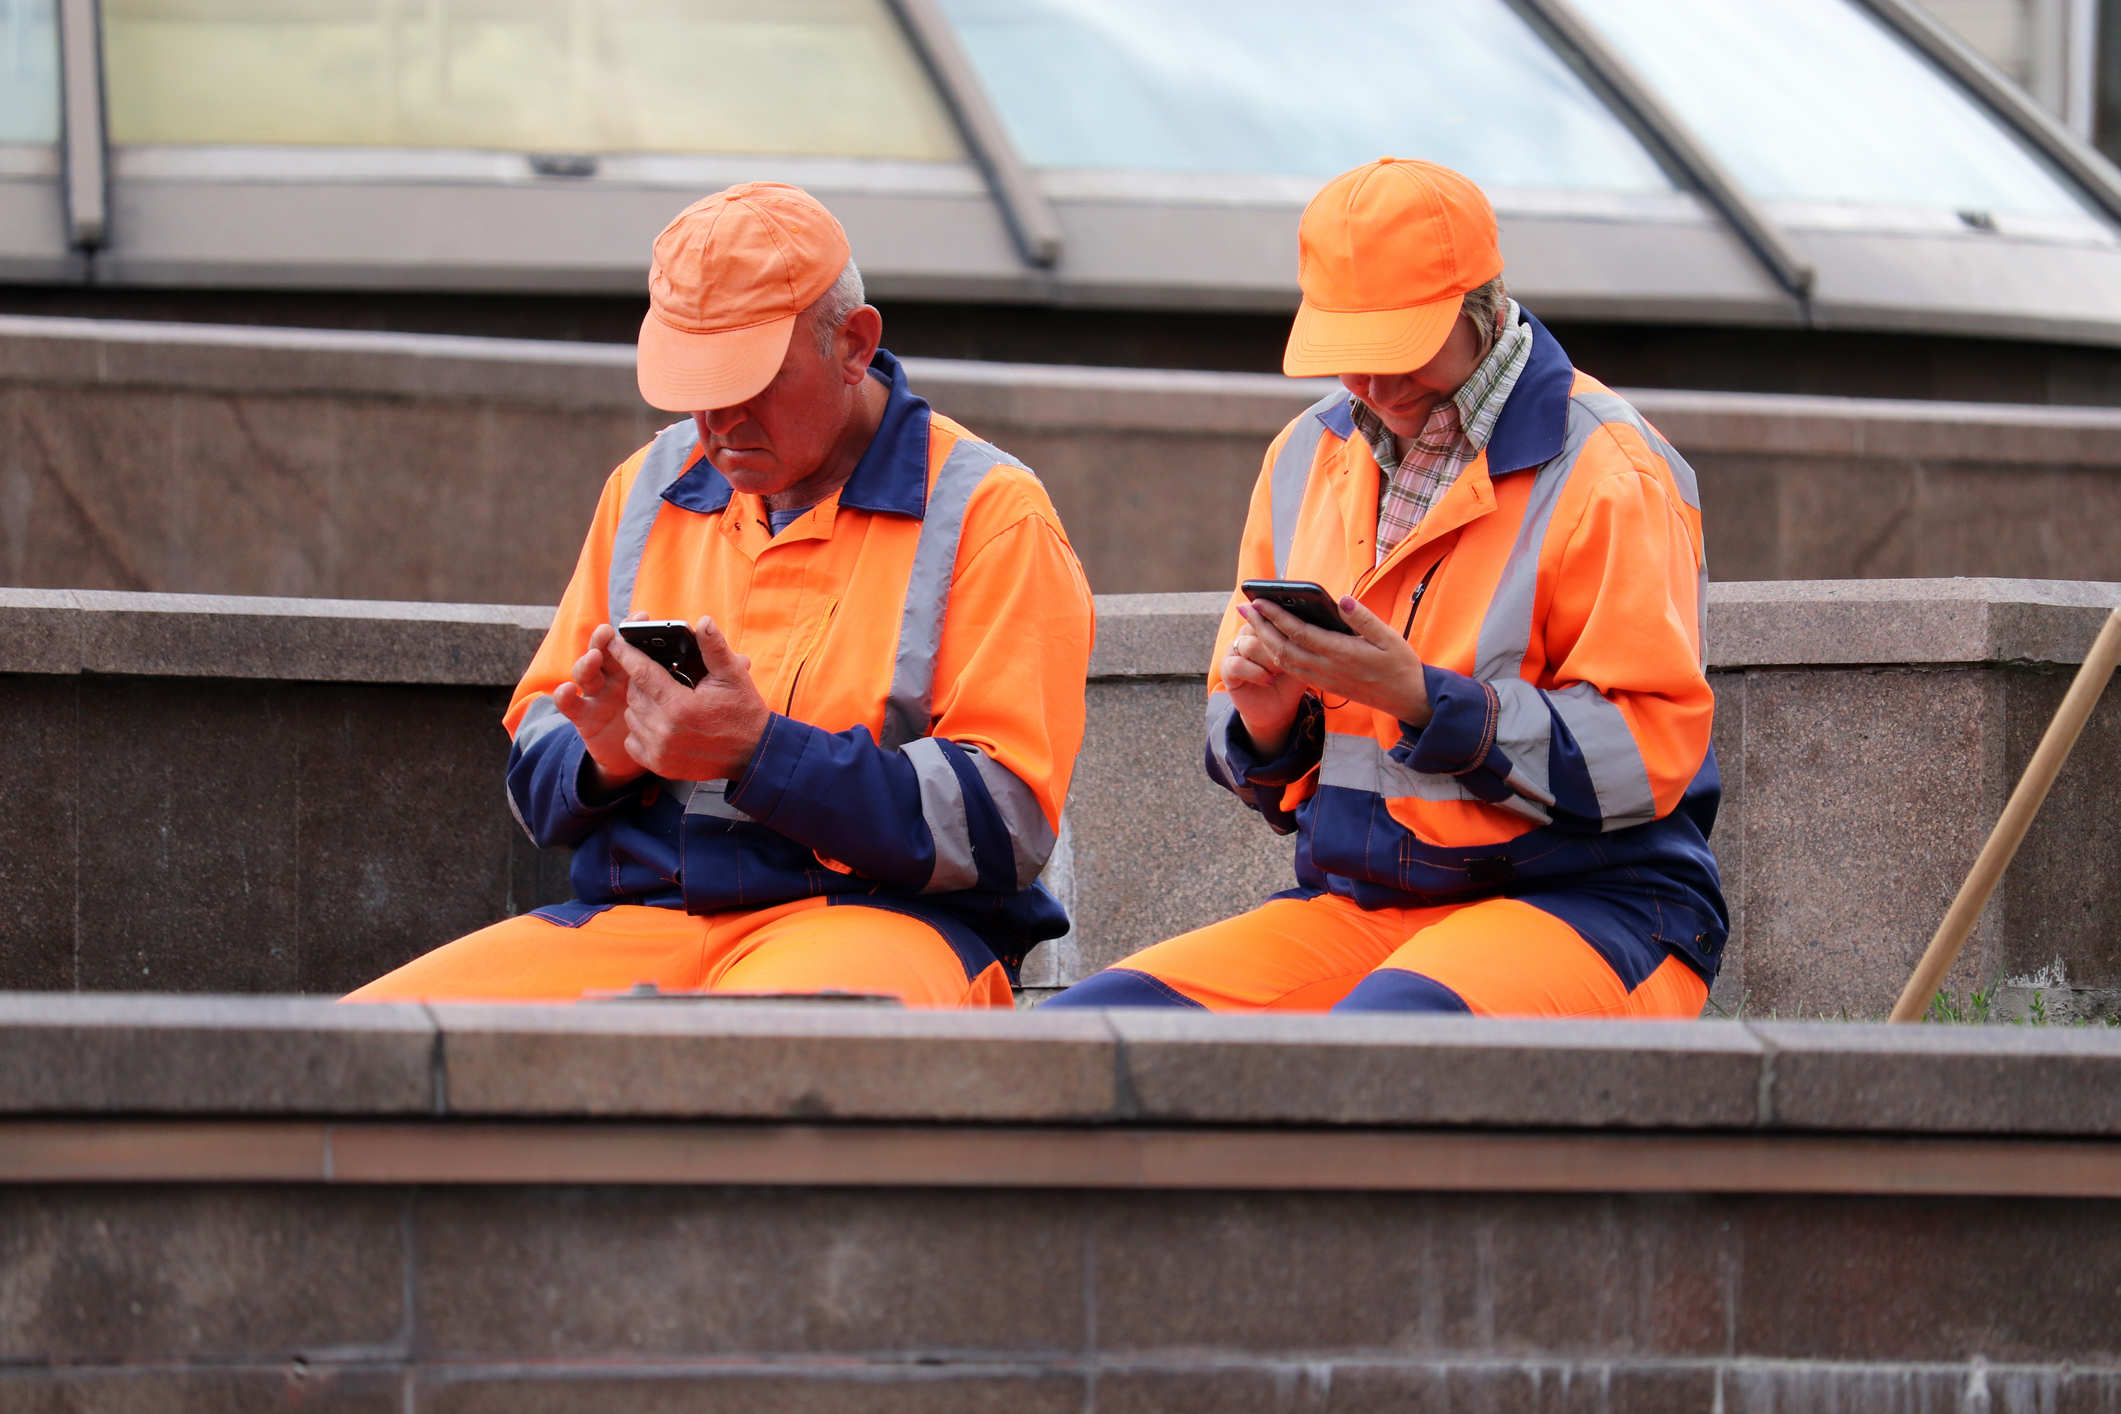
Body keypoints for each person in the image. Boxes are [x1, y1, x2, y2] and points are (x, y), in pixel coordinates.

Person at [347, 183, 1094, 1007]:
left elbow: (1006, 824)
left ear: (854, 344)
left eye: (751, 378)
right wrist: (606, 757)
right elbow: (535, 764)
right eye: (693, 382)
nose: (719, 418)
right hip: (638, 919)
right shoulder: (645, 486)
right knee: (352, 1054)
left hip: (884, 922)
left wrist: (758, 752)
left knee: (746, 1062)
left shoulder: (991, 513)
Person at [1045, 158, 1725, 1017]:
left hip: (1594, 905)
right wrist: (1265, 719)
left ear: (1482, 305)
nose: (1370, 382)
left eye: (1397, 346)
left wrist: (1418, 700)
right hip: (1365, 908)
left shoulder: (1610, 468)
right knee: (1082, 1035)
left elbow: (1645, 759)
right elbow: (1243, 740)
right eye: (1347, 353)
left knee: (1378, 1051)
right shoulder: (1302, 453)